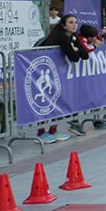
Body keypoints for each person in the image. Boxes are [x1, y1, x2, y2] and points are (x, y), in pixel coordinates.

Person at [36, 14, 87, 143]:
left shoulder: (73, 37)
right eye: (71, 22)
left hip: (59, 73)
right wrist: (74, 50)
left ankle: (53, 130)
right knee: (47, 101)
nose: (74, 25)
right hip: (46, 71)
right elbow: (74, 57)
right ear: (64, 25)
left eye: (75, 22)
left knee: (58, 101)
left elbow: (84, 54)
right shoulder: (61, 36)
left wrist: (76, 49)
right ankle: (40, 132)